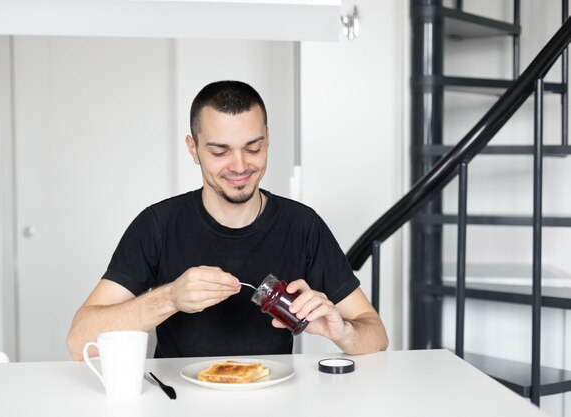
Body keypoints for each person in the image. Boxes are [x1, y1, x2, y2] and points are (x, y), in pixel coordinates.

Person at [67, 80, 388, 360]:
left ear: (268, 139)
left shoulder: (302, 226)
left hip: (273, 400)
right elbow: (79, 340)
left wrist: (341, 331)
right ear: (193, 149)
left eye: (253, 147)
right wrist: (170, 297)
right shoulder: (158, 225)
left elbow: (376, 336)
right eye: (220, 152)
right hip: (176, 401)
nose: (239, 166)